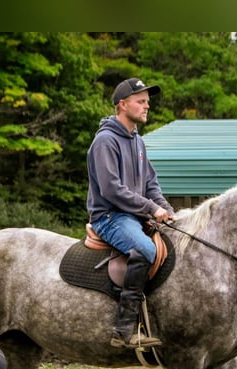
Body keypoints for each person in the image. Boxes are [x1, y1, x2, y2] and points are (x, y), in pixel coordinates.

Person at [86, 77, 175, 349]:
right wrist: (150, 208)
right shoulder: (105, 141)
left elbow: (151, 184)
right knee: (146, 250)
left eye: (147, 101)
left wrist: (168, 210)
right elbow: (112, 190)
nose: (147, 106)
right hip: (109, 217)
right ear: (123, 105)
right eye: (141, 101)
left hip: (134, 216)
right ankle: (123, 330)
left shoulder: (137, 141)